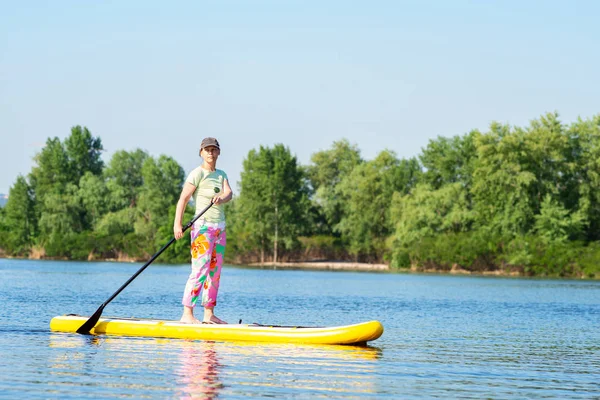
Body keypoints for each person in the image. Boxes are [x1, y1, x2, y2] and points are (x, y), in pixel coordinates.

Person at [173, 137, 232, 324]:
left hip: (219, 229)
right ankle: (187, 314)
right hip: (203, 228)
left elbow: (229, 193)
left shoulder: (222, 174)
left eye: (213, 150)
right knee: (199, 270)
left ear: (218, 153)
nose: (210, 153)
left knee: (215, 273)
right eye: (207, 150)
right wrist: (177, 224)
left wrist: (222, 198)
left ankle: (209, 314)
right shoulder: (197, 174)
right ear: (201, 152)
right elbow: (183, 199)